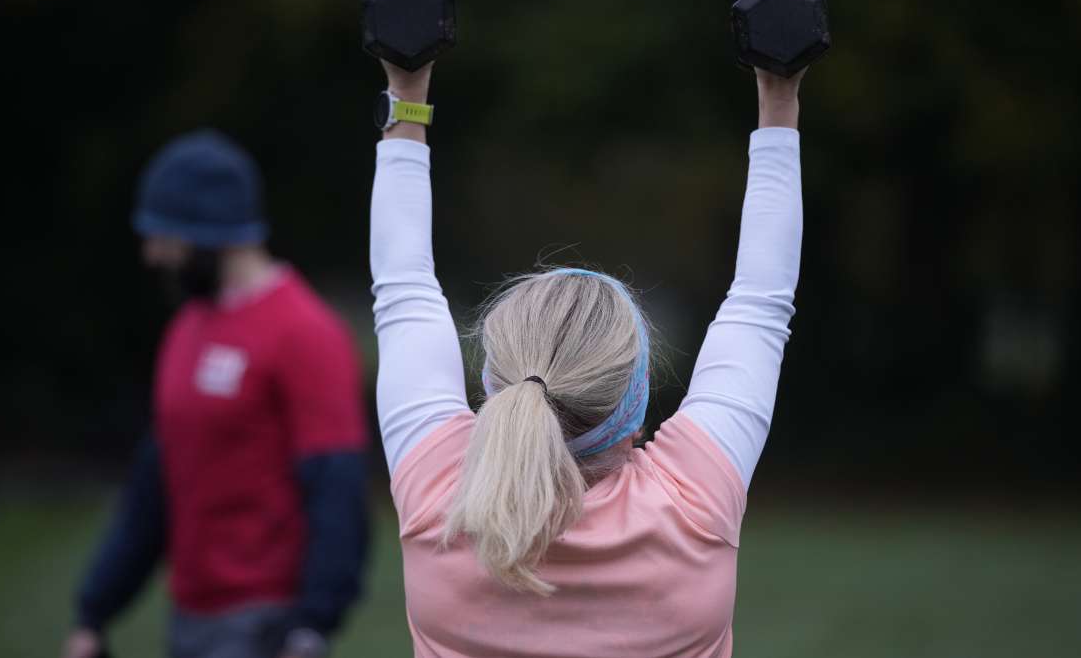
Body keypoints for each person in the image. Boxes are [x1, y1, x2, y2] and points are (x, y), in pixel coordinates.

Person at [368, 58, 805, 657]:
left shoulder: (439, 495)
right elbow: (761, 302)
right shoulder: (693, 503)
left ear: (494, 385)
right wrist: (779, 96)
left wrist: (406, 93)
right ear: (636, 398)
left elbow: (402, 286)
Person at [62, 130, 370, 658]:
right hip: (189, 620)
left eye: (163, 236)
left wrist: (314, 625)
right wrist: (95, 611)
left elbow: (337, 488)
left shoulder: (304, 333)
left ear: (208, 233)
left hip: (265, 626)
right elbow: (156, 482)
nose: (152, 254)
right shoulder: (187, 328)